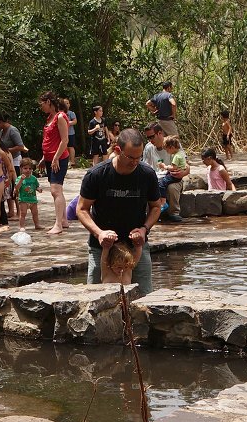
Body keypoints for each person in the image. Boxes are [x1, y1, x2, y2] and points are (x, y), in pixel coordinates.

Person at [76, 128, 163, 295]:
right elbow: (81, 209)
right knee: (94, 298)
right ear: (117, 150)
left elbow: (156, 207)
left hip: (136, 244)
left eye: (139, 157)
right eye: (130, 157)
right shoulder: (97, 174)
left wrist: (144, 229)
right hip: (101, 245)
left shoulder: (147, 174)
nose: (135, 162)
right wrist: (98, 233)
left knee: (145, 298)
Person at [39, 90, 71, 234]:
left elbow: (65, 140)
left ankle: (58, 224)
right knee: (58, 190)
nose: (41, 107)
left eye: (42, 104)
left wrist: (56, 157)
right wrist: (43, 158)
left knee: (55, 190)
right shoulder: (49, 118)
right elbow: (50, 140)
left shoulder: (60, 117)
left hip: (58, 159)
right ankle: (63, 220)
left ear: (48, 102)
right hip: (49, 158)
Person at [0, 114, 26, 219]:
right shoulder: (2, 132)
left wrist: (5, 151)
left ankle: (19, 212)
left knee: (15, 185)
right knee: (8, 187)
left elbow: (21, 146)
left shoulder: (13, 130)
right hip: (6, 161)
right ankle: (11, 211)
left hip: (15, 161)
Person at [16, 159, 42, 230]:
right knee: (23, 213)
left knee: (35, 213)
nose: (28, 170)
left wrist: (38, 189)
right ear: (21, 169)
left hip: (33, 199)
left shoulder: (33, 178)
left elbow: (36, 186)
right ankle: (22, 226)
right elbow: (17, 187)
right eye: (25, 168)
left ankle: (37, 224)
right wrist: (21, 180)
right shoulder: (19, 178)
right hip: (23, 199)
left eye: (30, 168)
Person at [64, 98, 78, 165]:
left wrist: (68, 123)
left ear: (69, 104)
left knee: (71, 147)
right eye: (64, 103)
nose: (66, 105)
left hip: (71, 133)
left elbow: (75, 121)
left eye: (67, 103)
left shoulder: (71, 113)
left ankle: (72, 161)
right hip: (63, 133)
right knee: (64, 147)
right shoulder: (60, 113)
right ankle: (65, 161)